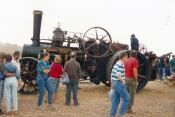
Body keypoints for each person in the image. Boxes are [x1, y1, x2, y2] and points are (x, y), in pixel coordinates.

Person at [110, 51, 129, 117]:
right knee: (127, 98)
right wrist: (123, 81)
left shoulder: (117, 63)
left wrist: (112, 83)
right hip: (119, 83)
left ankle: (112, 115)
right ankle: (121, 114)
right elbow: (118, 74)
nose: (127, 58)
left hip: (115, 83)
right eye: (127, 57)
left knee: (116, 100)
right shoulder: (121, 64)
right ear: (124, 57)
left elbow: (112, 74)